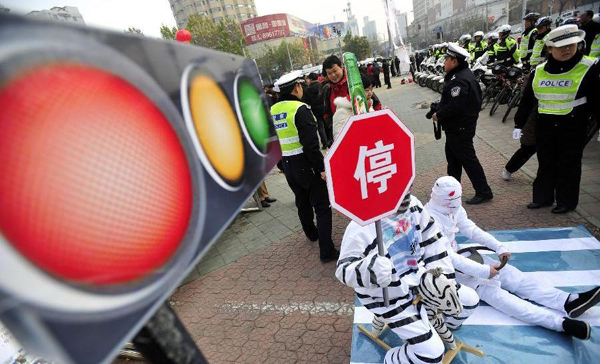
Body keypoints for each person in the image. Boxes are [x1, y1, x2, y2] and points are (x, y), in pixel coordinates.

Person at [425, 176, 598, 340]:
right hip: (446, 271)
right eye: (452, 203)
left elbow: (470, 229)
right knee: (500, 297)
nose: (456, 207)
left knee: (512, 275)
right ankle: (561, 324)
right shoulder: (429, 221)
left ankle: (567, 301)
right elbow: (447, 256)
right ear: (442, 200)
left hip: (464, 256)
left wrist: (497, 246)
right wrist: (484, 271)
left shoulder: (453, 208)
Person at [336, 190, 480, 364]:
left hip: (420, 276)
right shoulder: (360, 226)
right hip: (388, 297)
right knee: (432, 355)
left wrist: (440, 276)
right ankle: (394, 360)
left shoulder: (412, 204)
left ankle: (440, 327)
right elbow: (343, 270)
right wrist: (371, 269)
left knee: (471, 300)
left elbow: (432, 238)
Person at [514, 25, 600, 213]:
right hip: (544, 126)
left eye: (571, 44)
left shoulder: (588, 67)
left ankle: (566, 202)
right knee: (546, 163)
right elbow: (527, 100)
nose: (567, 49)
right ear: (550, 49)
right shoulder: (540, 71)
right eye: (561, 46)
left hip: (573, 126)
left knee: (569, 165)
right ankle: (542, 198)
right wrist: (518, 124)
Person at [271, 71, 338, 262]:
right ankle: (327, 251)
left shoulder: (273, 111)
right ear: (297, 88)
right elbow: (311, 145)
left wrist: (281, 164)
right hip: (306, 164)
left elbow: (272, 142)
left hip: (288, 165)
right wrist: (321, 168)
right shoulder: (300, 109)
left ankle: (311, 233)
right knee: (322, 206)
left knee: (301, 200)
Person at [431, 43, 494, 204]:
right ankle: (452, 192)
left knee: (468, 160)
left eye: (446, 59)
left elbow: (456, 105)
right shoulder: (462, 75)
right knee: (453, 161)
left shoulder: (459, 79)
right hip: (457, 127)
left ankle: (483, 191)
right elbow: (453, 101)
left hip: (460, 128)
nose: (444, 62)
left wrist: (439, 114)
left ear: (455, 61)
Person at [304, 72, 330, 149]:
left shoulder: (308, 89)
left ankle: (324, 143)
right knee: (327, 124)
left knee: (320, 126)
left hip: (315, 110)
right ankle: (330, 140)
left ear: (311, 79)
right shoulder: (321, 85)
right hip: (324, 108)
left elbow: (307, 101)